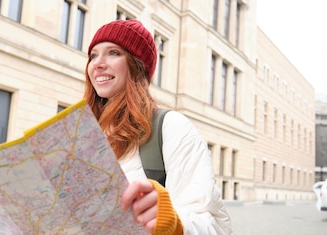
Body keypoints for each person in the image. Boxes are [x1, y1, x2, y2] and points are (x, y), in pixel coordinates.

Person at [84, 19, 232, 234]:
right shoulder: (85, 133)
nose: (98, 63)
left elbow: (214, 225)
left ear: (137, 66)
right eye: (93, 55)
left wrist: (171, 220)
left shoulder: (171, 126)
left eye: (114, 53)